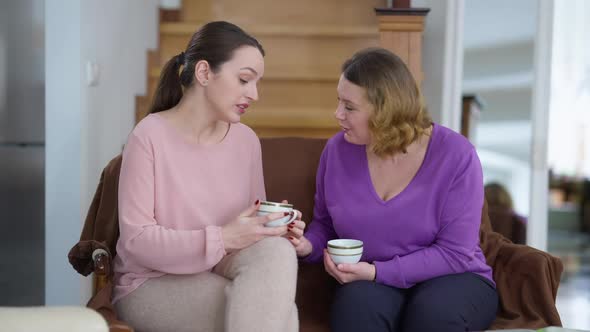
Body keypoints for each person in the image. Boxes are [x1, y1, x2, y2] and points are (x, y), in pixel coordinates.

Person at [287, 48, 498, 332]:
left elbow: (455, 253)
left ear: (386, 110)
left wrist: (378, 272)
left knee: (432, 315)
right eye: (339, 102)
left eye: (349, 107)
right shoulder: (336, 151)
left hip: (454, 276)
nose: (337, 114)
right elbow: (326, 226)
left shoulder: (456, 155)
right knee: (354, 309)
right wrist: (306, 245)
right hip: (373, 278)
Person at [112, 21, 299, 332]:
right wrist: (222, 237)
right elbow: (137, 242)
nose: (254, 94)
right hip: (153, 281)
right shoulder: (149, 137)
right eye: (244, 80)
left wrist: (275, 229)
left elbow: (247, 227)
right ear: (203, 73)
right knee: (280, 314)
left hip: (220, 266)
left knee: (277, 253)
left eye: (256, 83)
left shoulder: (246, 141)